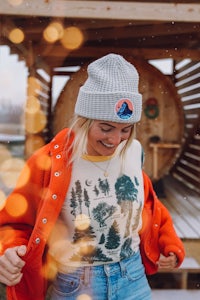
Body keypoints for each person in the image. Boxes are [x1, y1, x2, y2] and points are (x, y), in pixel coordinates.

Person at [0, 53, 185, 300]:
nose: (115, 140)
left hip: (132, 277)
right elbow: (15, 223)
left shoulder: (133, 152)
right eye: (105, 128)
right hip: (77, 284)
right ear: (84, 120)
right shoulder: (50, 162)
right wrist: (9, 250)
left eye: (125, 130)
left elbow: (148, 204)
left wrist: (168, 243)